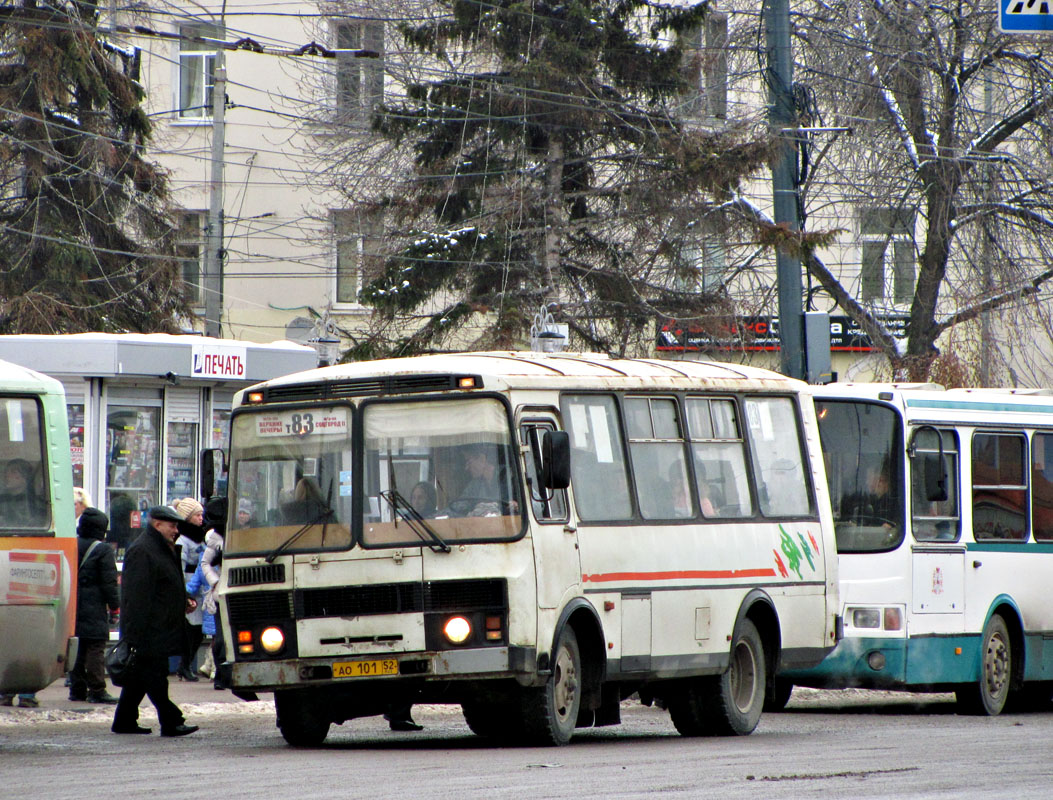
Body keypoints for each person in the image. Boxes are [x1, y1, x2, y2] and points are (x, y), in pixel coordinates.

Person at [111, 505, 199, 736]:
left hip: (161, 627)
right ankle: (171, 721)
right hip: (149, 630)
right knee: (156, 677)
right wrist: (135, 635)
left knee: (139, 679)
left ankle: (124, 721)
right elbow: (137, 597)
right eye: (172, 525)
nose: (176, 530)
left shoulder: (162, 548)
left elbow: (167, 584)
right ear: (157, 524)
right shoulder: (143, 550)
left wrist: (185, 599)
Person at [69, 507, 120, 704]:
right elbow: (109, 582)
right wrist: (114, 606)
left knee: (78, 647)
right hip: (95, 605)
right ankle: (97, 689)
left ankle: (77, 689)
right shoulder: (103, 549)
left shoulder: (72, 545)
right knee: (95, 647)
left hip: (74, 604)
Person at [173, 497, 206, 682]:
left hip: (199, 587)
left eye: (202, 514)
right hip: (189, 586)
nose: (201, 518)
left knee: (198, 631)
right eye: (197, 515)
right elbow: (180, 565)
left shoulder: (199, 536)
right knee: (191, 630)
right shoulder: (182, 541)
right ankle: (184, 666)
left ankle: (185, 665)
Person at [200, 496, 226, 689]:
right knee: (220, 641)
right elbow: (205, 562)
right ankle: (220, 676)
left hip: (238, 590)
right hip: (221, 591)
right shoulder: (216, 537)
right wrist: (215, 581)